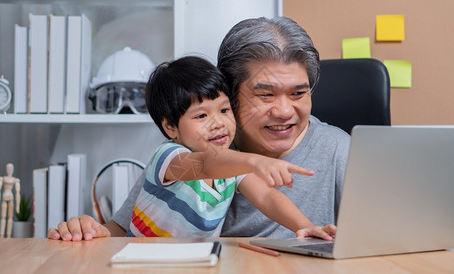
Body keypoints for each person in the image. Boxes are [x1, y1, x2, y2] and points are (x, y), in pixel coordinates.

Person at [48, 16, 350, 241]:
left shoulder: (341, 152)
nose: (284, 110)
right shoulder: (185, 154)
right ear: (230, 93)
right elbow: (117, 231)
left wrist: (304, 226)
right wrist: (87, 231)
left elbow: (269, 197)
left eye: (298, 93)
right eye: (266, 94)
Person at [124, 55, 334, 239]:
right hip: (140, 260)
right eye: (201, 115)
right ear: (170, 127)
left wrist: (305, 226)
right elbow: (205, 165)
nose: (218, 123)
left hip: (192, 263)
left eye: (224, 110)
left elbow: (266, 197)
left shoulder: (230, 166)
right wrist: (255, 161)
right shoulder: (169, 157)